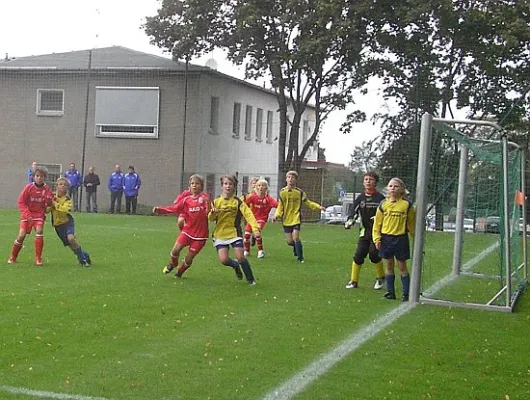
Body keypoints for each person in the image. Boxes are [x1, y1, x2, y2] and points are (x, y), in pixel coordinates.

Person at [153, 175, 210, 278]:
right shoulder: (186, 199)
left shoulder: (204, 198)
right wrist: (161, 211)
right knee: (174, 251)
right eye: (192, 184)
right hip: (187, 231)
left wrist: (210, 208)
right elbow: (174, 208)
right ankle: (173, 264)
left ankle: (180, 272)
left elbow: (209, 211)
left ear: (201, 186)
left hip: (200, 236)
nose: (194, 186)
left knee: (189, 258)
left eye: (197, 184)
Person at [209, 174, 261, 285]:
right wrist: (212, 213)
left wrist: (255, 229)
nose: (228, 186)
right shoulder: (216, 201)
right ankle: (235, 265)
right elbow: (210, 218)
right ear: (222, 186)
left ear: (234, 186)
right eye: (225, 184)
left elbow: (249, 215)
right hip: (220, 234)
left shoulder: (238, 202)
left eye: (230, 184)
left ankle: (250, 280)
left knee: (240, 256)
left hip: (234, 233)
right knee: (224, 260)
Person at [372, 177, 416, 302]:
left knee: (402, 266)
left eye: (396, 186)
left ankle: (406, 293)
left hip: (400, 239)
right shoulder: (383, 204)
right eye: (390, 186)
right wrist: (377, 239)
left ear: (402, 189)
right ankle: (390, 292)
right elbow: (377, 224)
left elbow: (411, 224)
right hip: (386, 238)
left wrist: (415, 237)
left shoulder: (406, 205)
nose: (392, 188)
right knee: (389, 265)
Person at [344, 171, 386, 290]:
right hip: (364, 232)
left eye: (371, 179)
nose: (368, 181)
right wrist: (349, 222)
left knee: (374, 254)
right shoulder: (360, 198)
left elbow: (385, 213)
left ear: (375, 182)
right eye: (366, 179)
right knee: (358, 255)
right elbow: (353, 213)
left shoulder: (381, 198)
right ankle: (353, 281)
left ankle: (380, 277)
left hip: (377, 232)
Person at [273, 170, 325, 263]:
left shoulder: (300, 192)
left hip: (296, 218)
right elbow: (280, 206)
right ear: (286, 179)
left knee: (296, 237)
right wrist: (276, 215)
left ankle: (300, 258)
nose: (290, 179)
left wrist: (318, 207)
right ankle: (296, 248)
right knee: (289, 242)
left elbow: (308, 203)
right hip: (286, 219)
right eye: (289, 177)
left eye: (292, 178)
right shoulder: (282, 192)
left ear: (295, 180)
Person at [8, 165, 54, 266]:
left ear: (44, 178)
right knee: (21, 235)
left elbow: (50, 203)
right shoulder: (28, 188)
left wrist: (49, 200)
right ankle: (13, 256)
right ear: (34, 176)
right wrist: (26, 214)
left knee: (39, 230)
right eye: (37, 175)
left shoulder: (46, 189)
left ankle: (38, 258)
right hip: (27, 215)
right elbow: (21, 202)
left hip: (39, 215)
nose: (39, 178)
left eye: (41, 176)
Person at [48, 178, 91, 267]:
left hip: (67, 222)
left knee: (71, 239)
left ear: (67, 188)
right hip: (58, 226)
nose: (62, 186)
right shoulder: (52, 197)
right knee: (72, 246)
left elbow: (64, 210)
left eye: (65, 184)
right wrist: (50, 204)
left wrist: (54, 204)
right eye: (60, 184)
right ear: (56, 186)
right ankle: (84, 255)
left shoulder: (67, 199)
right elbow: (46, 210)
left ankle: (82, 261)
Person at [243, 178, 278, 259]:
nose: (261, 187)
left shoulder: (269, 199)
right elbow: (244, 205)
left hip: (261, 219)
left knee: (257, 233)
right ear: (256, 187)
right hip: (252, 219)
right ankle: (246, 251)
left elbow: (278, 206)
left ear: (266, 188)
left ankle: (260, 251)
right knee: (247, 234)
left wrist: (276, 215)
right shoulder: (252, 197)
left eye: (263, 185)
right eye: (259, 185)